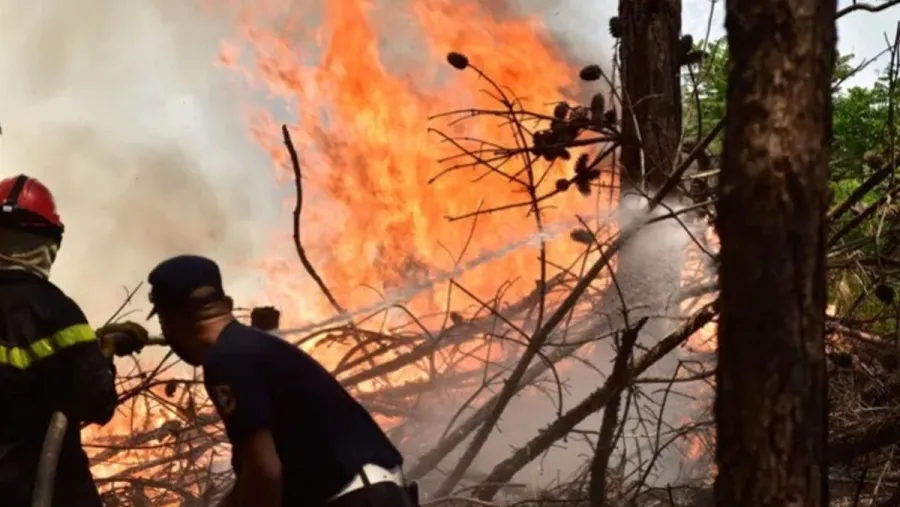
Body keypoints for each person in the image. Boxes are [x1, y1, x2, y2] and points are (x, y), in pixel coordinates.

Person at [146, 254, 417, 507]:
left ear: (170, 320)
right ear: (225, 304)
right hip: (374, 493)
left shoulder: (226, 359)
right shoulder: (251, 346)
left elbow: (266, 472)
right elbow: (255, 476)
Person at [0, 174, 150, 507]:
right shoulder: (54, 312)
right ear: (50, 242)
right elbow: (96, 403)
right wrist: (105, 352)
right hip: (35, 490)